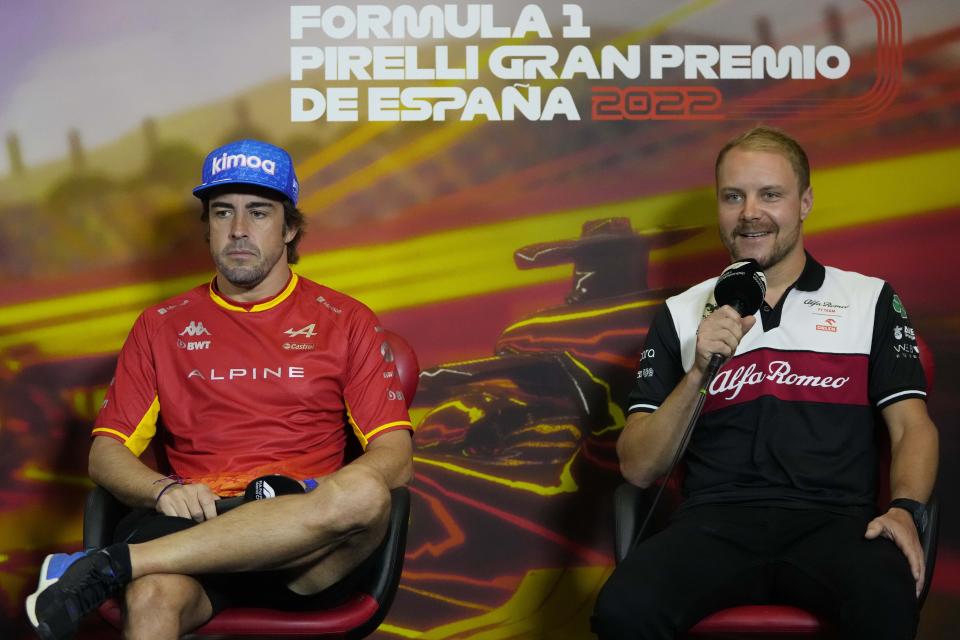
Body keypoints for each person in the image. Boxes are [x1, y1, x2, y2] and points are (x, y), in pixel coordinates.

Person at [25, 139, 414, 640]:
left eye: (258, 212)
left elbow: (396, 457)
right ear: (206, 226)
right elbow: (106, 454)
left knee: (363, 493)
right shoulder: (161, 326)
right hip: (197, 530)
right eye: (221, 212)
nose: (238, 230)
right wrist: (161, 489)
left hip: (307, 552)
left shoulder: (347, 320)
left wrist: (315, 498)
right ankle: (129, 569)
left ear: (290, 227)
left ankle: (113, 565)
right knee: (152, 597)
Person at [592, 126, 939, 639]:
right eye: (734, 196)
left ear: (804, 202)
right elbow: (638, 468)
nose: (750, 212)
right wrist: (698, 372)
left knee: (887, 603)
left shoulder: (870, 300)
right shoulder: (680, 313)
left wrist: (906, 510)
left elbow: (913, 429)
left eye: (769, 194)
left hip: (838, 523)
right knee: (623, 610)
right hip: (713, 522)